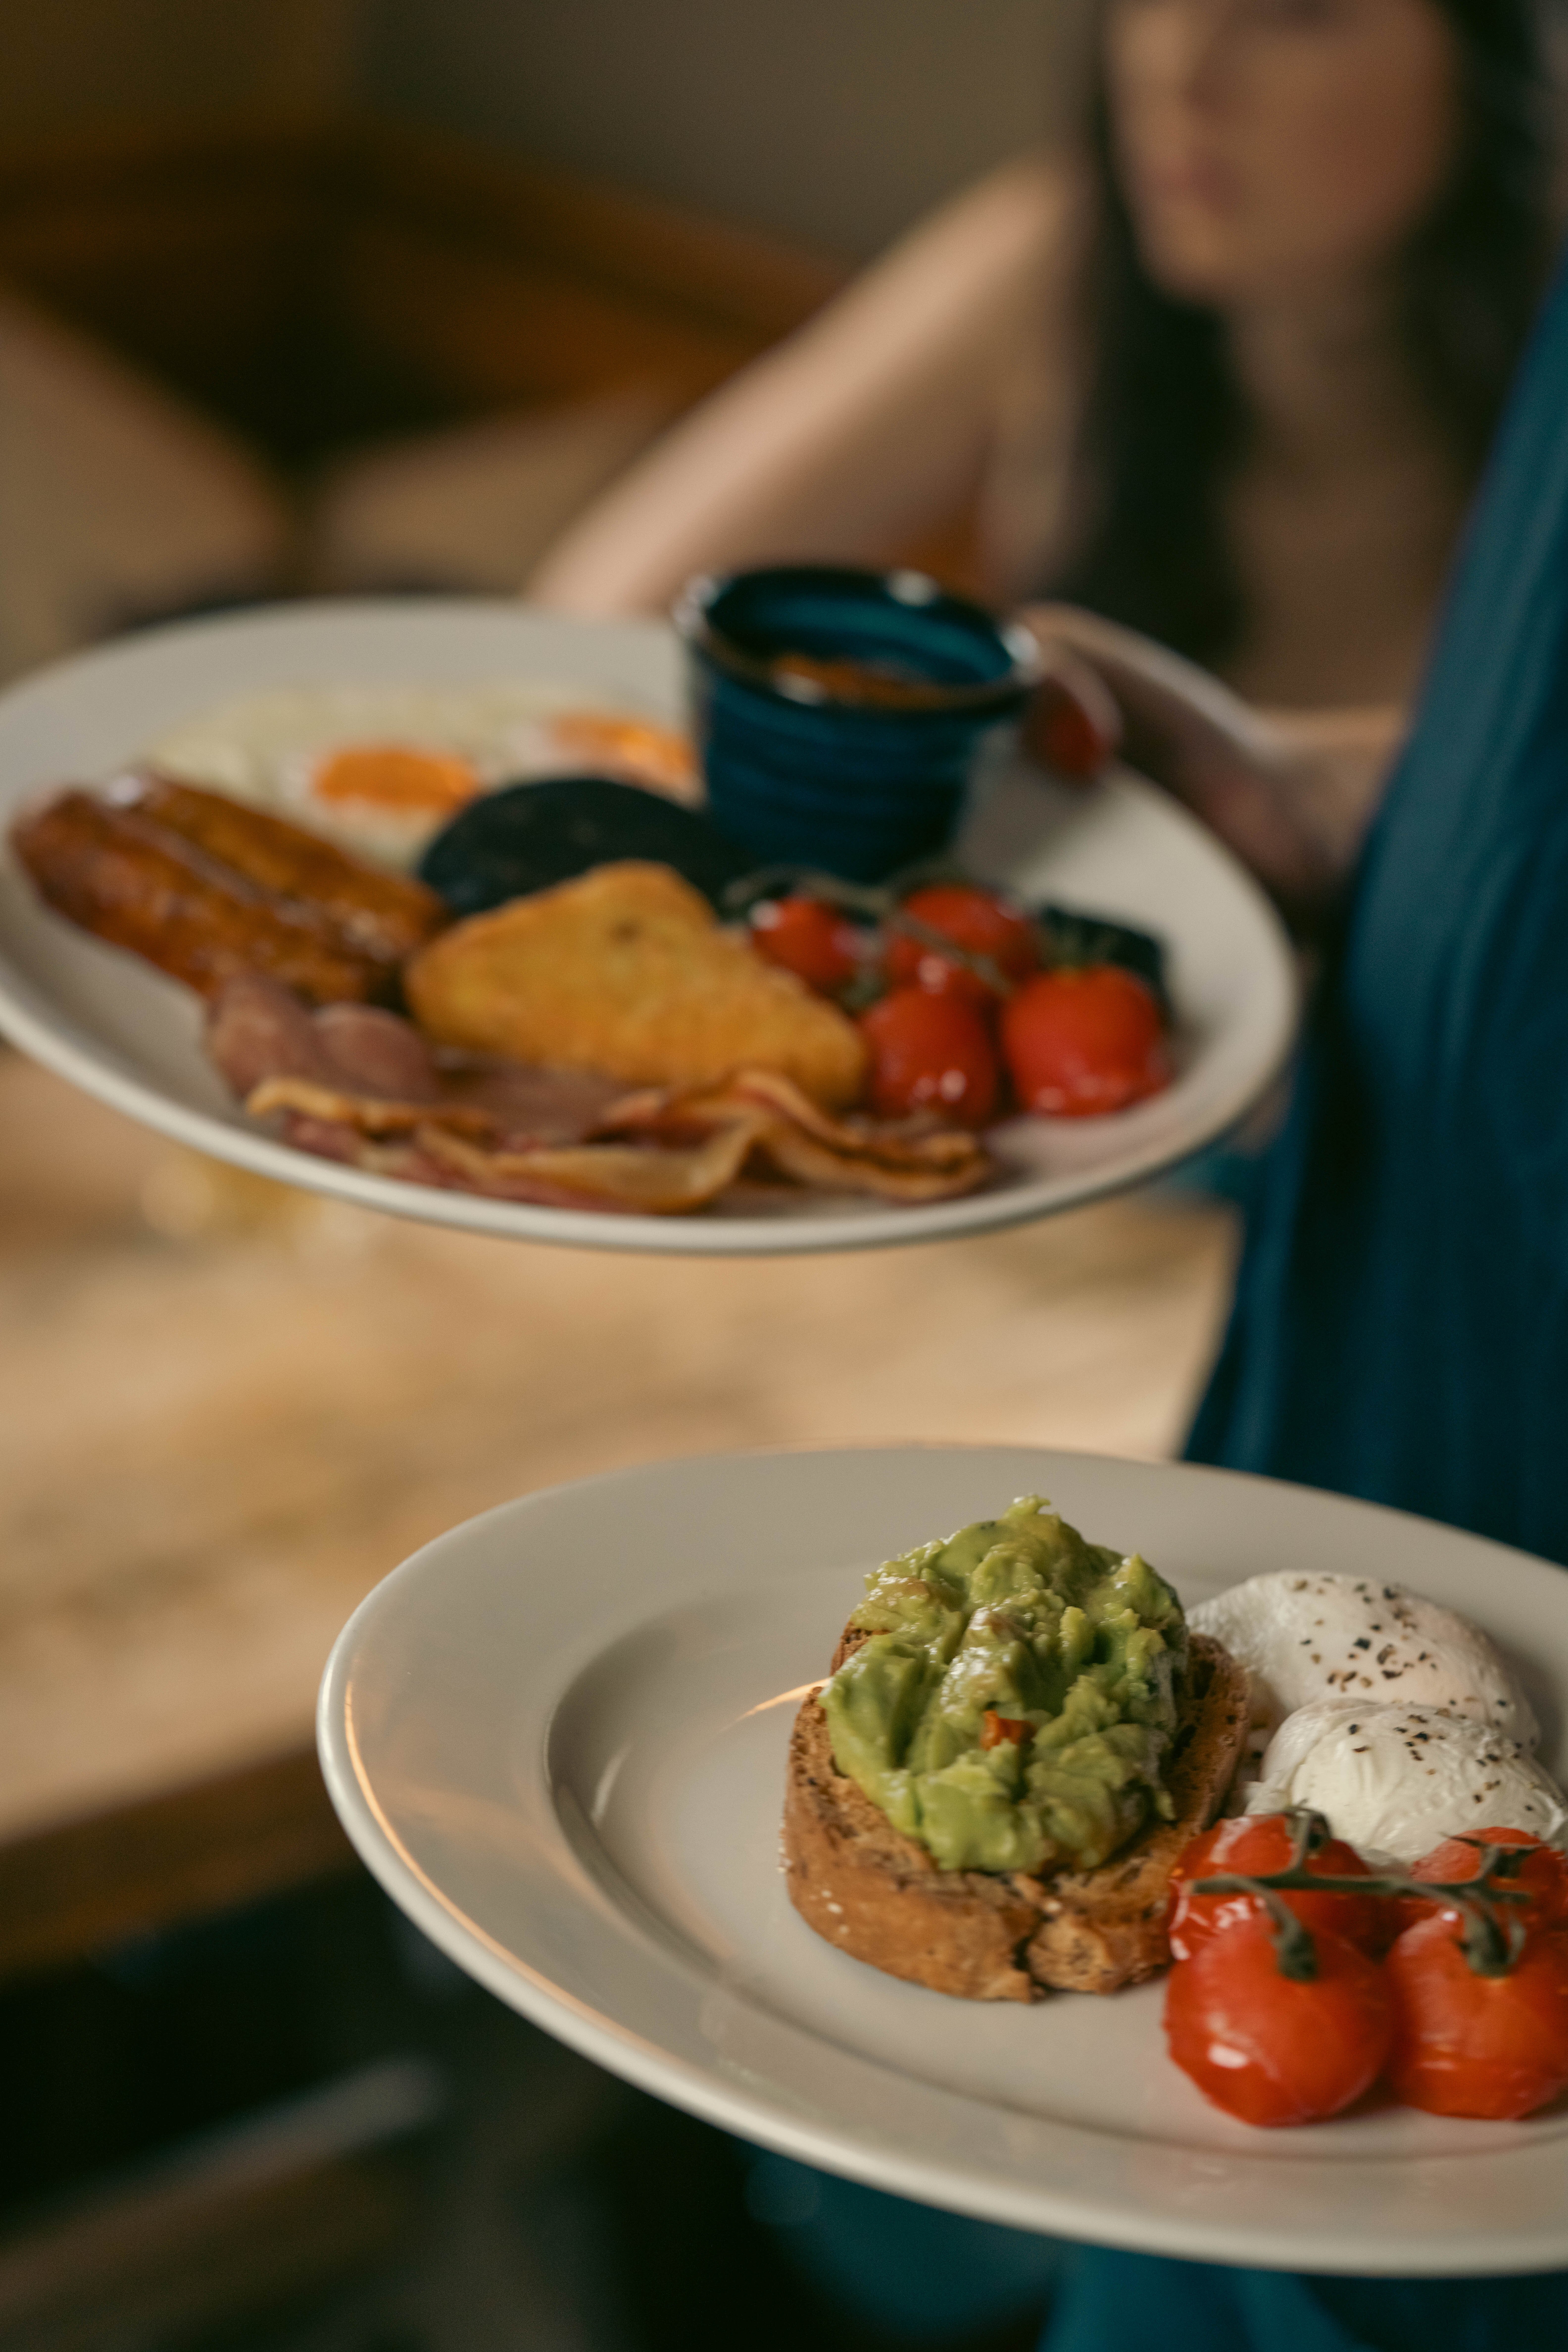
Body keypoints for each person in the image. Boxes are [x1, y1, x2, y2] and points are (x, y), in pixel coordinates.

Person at [532, 0, 1556, 736]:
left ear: (1492, 61)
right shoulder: (1054, 261)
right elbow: (597, 613)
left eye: (1295, 11)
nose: (1179, 66)